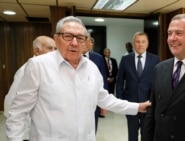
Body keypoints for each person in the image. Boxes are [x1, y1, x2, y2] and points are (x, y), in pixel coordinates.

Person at [5, 16, 151, 141]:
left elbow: (104, 99)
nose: (74, 42)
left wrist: (137, 107)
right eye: (68, 36)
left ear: (85, 42)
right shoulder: (38, 66)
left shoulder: (91, 68)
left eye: (80, 38)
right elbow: (18, 113)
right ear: (56, 38)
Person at [4, 35, 56, 141]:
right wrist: (18, 133)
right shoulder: (27, 70)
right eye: (50, 48)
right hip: (27, 131)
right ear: (37, 51)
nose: (54, 52)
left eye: (55, 49)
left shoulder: (47, 68)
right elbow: (12, 102)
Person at [116, 32, 160, 141]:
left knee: (147, 134)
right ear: (133, 43)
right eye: (138, 42)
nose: (140, 44)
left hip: (148, 103)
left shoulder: (155, 60)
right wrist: (121, 102)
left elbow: (158, 82)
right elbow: (120, 81)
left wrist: (155, 102)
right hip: (130, 103)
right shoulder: (125, 59)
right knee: (132, 134)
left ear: (147, 44)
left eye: (143, 42)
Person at [82, 35, 109, 132]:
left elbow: (103, 81)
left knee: (92, 130)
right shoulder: (71, 57)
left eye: (89, 41)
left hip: (94, 101)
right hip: (76, 102)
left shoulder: (98, 58)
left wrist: (104, 103)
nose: (87, 43)